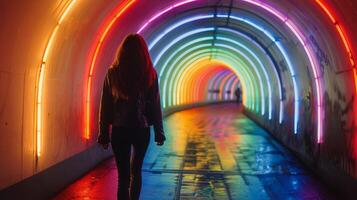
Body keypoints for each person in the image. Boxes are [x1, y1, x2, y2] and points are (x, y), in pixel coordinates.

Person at [97, 33, 166, 200]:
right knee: (136, 172)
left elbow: (105, 105)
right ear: (143, 52)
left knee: (123, 177)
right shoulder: (150, 73)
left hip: (120, 130)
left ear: (123, 51)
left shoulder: (112, 73)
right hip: (141, 130)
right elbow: (155, 104)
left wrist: (104, 133)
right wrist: (159, 131)